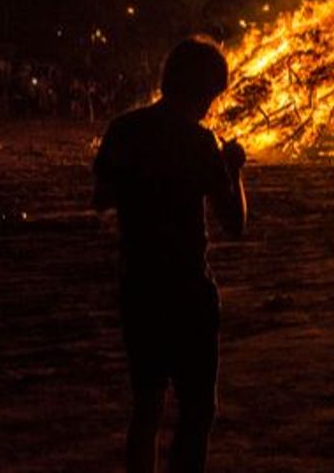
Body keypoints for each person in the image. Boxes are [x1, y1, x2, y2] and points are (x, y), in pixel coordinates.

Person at [93, 37, 246, 473]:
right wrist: (232, 170)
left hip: (138, 285)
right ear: (204, 90)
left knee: (147, 406)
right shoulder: (200, 142)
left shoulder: (124, 129)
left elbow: (102, 198)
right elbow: (234, 223)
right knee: (198, 410)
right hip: (186, 290)